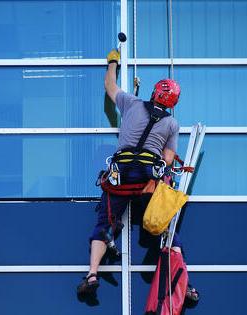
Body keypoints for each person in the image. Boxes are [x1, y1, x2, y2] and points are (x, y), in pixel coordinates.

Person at [77, 48, 195, 299]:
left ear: (154, 92)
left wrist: (112, 62)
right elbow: (168, 158)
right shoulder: (172, 124)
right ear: (173, 103)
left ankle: (93, 274)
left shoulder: (131, 103)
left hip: (120, 176)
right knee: (166, 227)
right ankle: (184, 283)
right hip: (147, 181)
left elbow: (110, 86)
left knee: (103, 223)